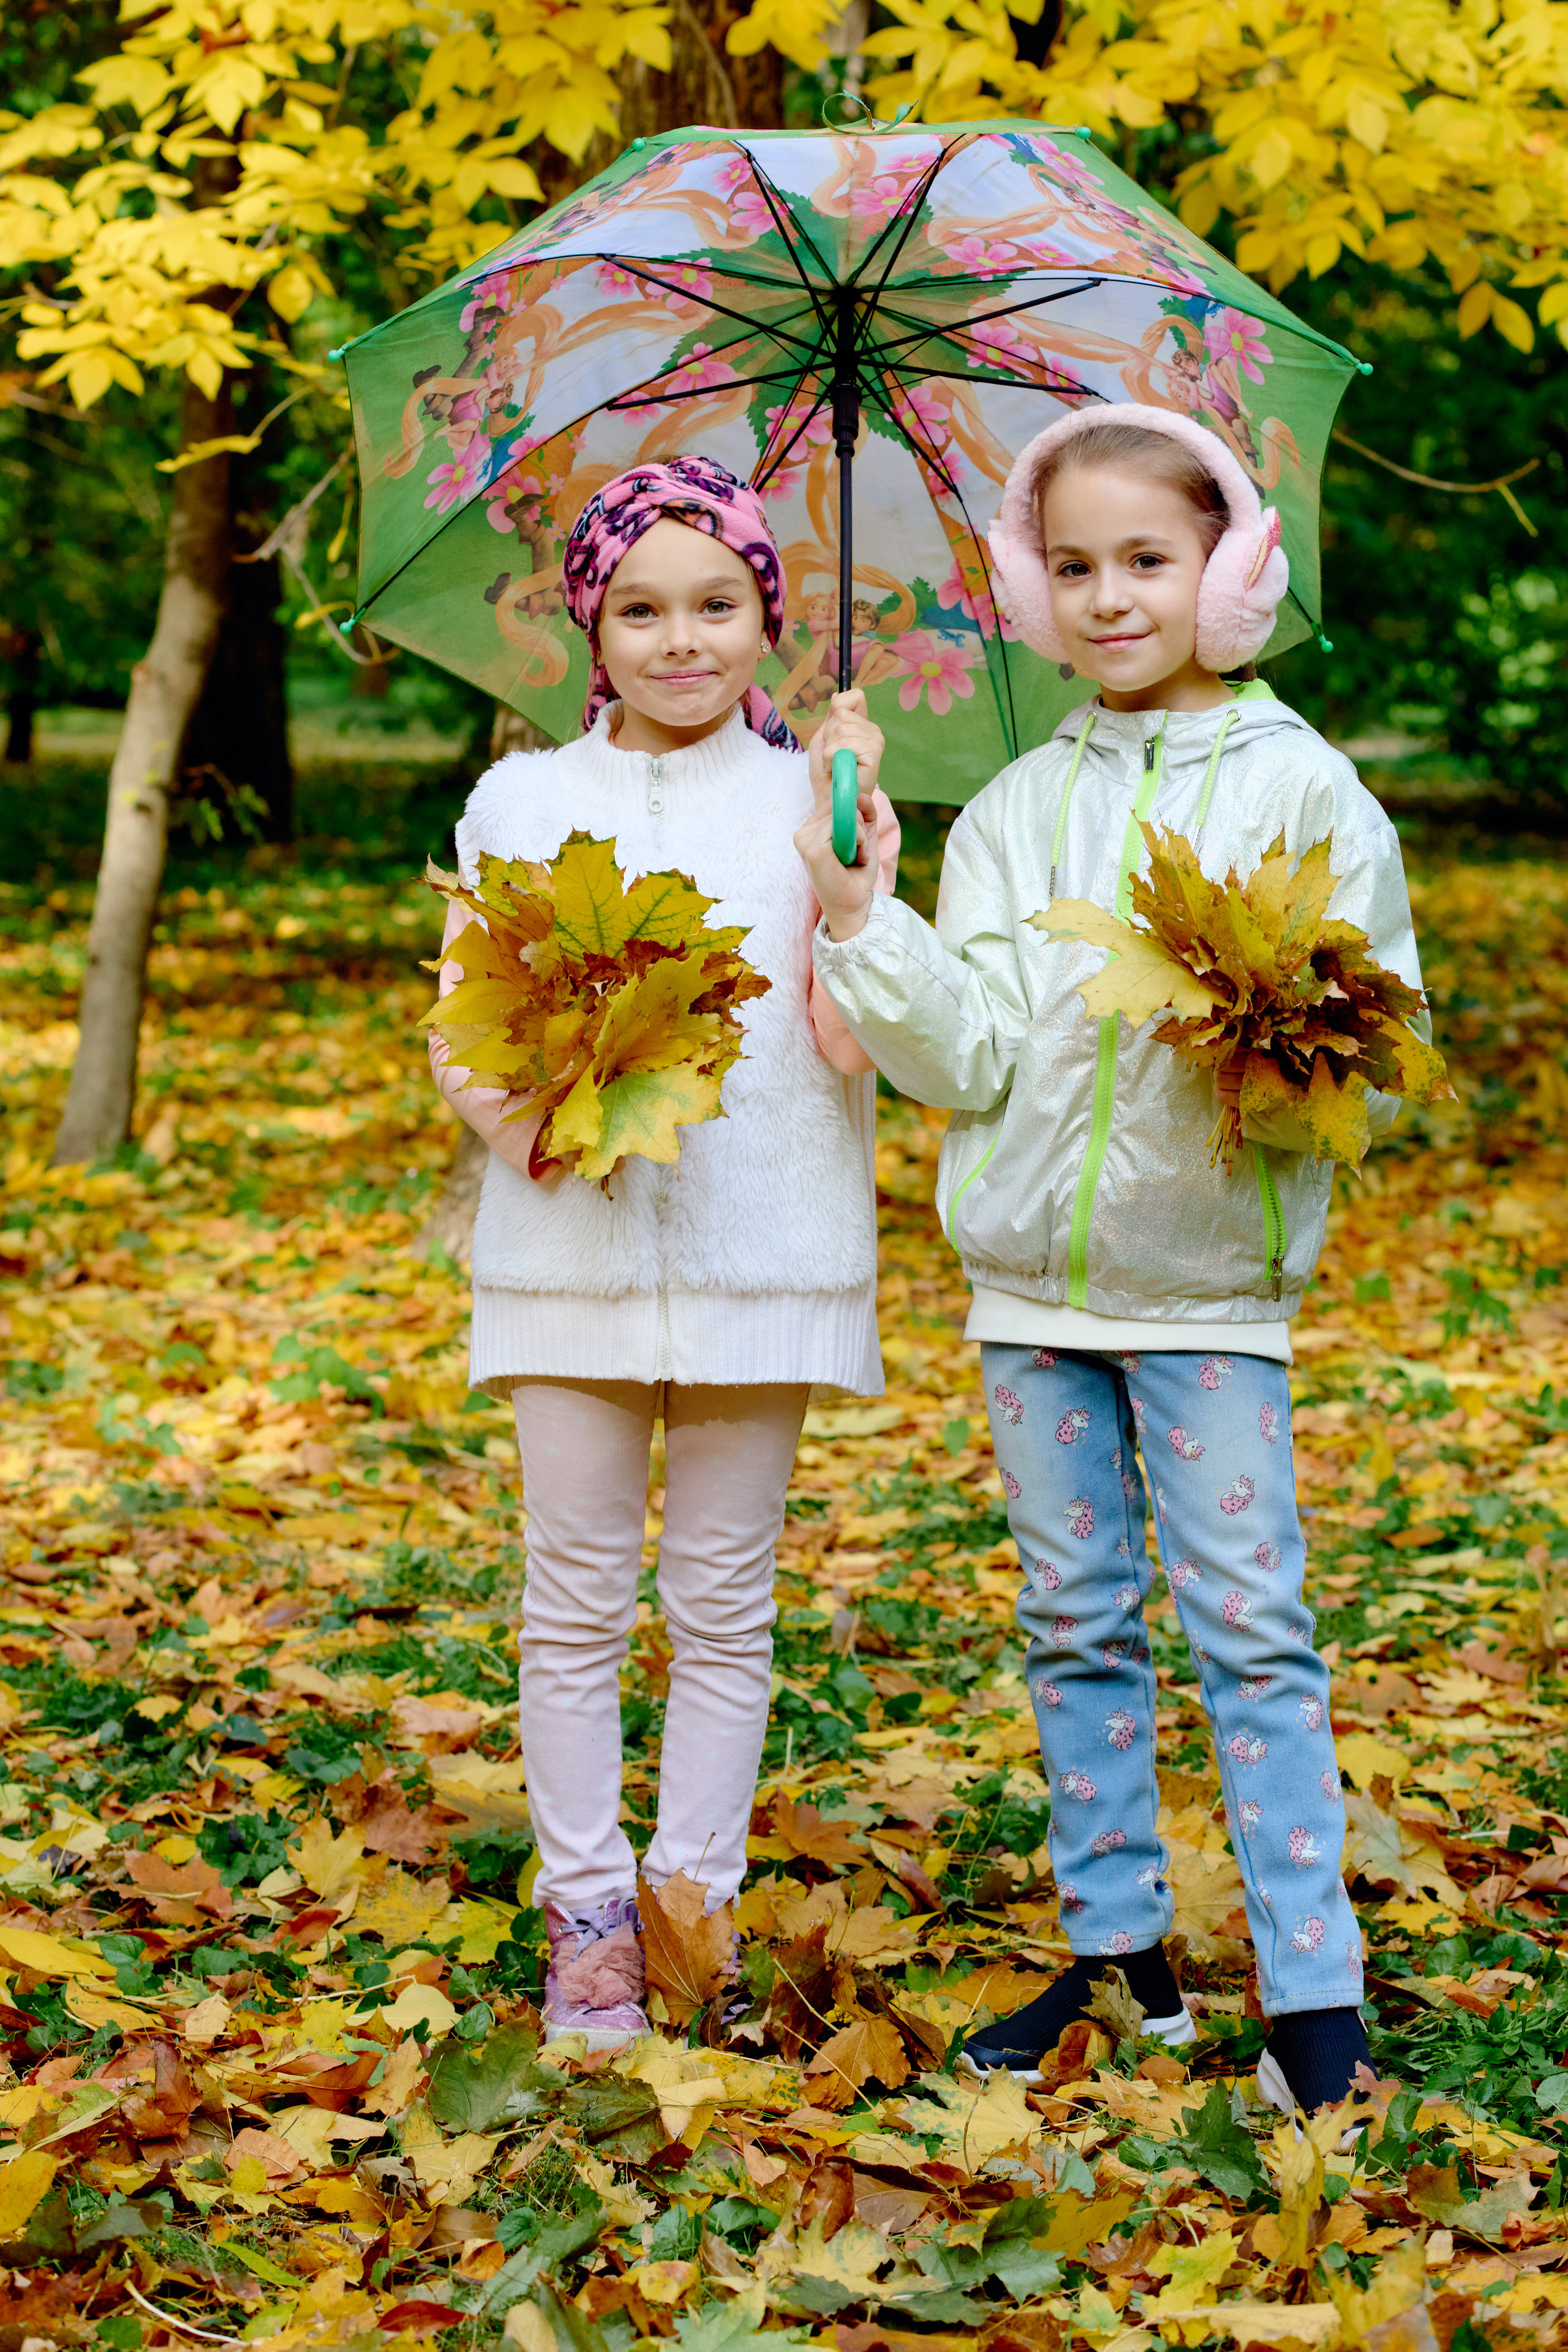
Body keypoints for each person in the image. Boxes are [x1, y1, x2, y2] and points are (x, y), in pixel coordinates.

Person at [796, 405, 1427, 2119]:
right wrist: (867, 920)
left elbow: (1382, 1028)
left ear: (1227, 575)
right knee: (1076, 1625)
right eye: (1070, 566)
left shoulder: (1305, 787)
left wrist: (1278, 1038)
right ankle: (1120, 1957)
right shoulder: (1011, 809)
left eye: (1147, 561)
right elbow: (971, 1058)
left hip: (1210, 1289)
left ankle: (1312, 1992)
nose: (1108, 596)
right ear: (1027, 585)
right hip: (1032, 1298)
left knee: (1247, 1626)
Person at [431, 456, 897, 2048]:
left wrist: (856, 879)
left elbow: (849, 1047)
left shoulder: (808, 800)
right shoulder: (523, 800)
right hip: (572, 1252)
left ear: (769, 616)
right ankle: (587, 1919)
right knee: (571, 1598)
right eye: (643, 607)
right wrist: (559, 1133)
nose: (681, 638)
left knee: (721, 1602)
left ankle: (688, 1898)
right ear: (592, 621)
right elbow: (462, 1028)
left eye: (717, 605)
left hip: (765, 1252)